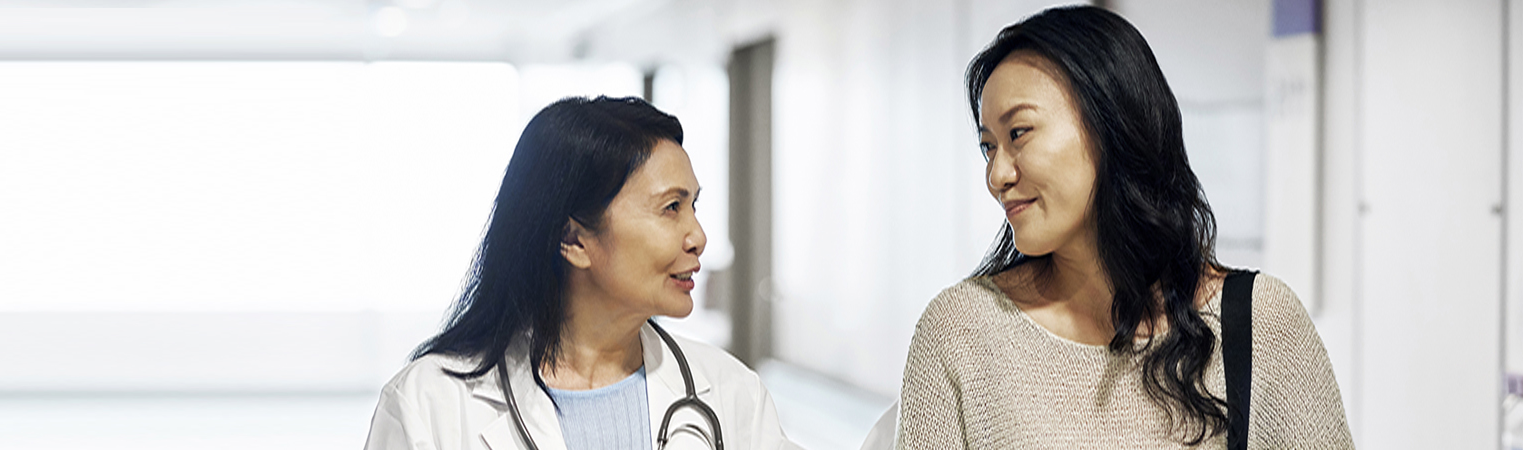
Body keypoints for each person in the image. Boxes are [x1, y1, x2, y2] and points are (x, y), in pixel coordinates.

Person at [872, 6, 1351, 449]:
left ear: (1113, 124)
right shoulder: (960, 332)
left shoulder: (1260, 323)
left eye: (1018, 133)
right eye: (988, 147)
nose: (997, 176)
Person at [364, 96, 799, 450]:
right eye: (671, 208)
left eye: (693, 206)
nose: (698, 236)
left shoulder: (730, 393)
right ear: (573, 240)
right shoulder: (431, 405)